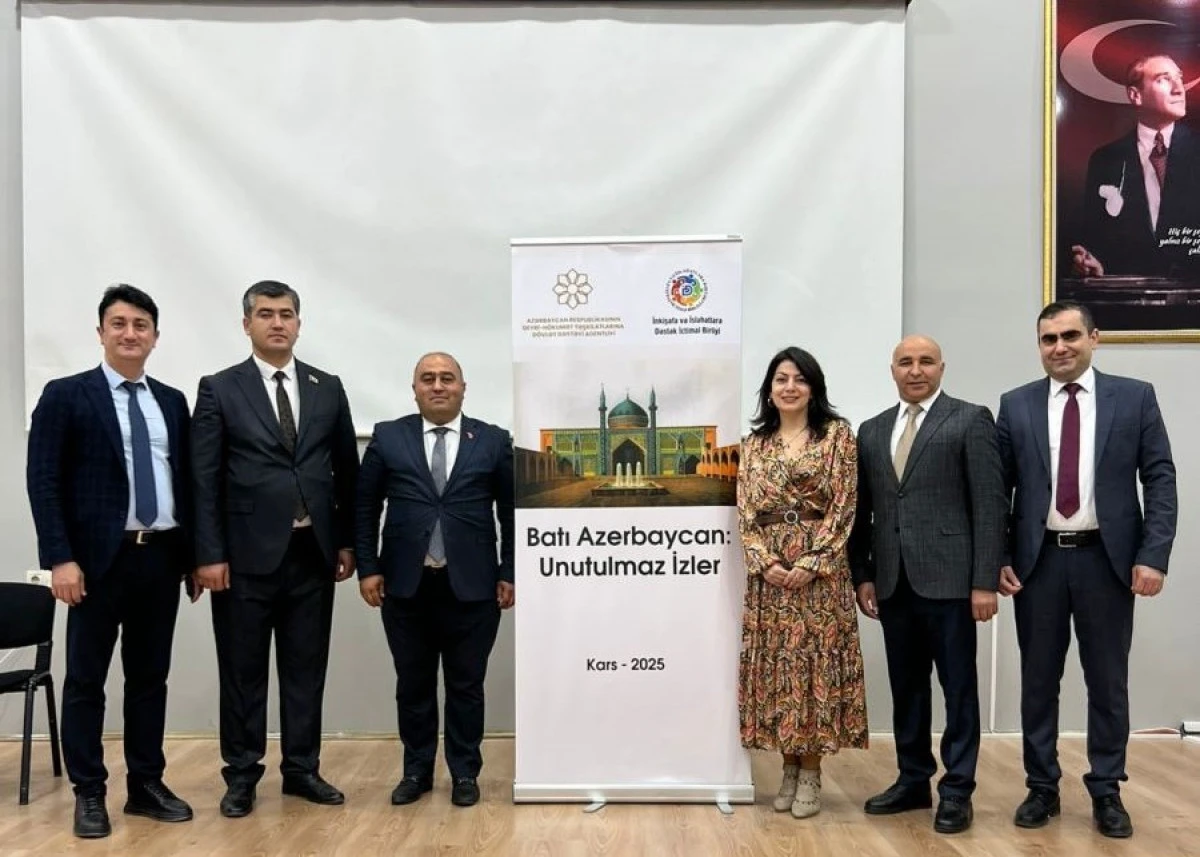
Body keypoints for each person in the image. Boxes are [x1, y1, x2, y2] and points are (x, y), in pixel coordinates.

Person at [996, 300, 1176, 839]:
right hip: (1039, 562)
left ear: (1094, 338)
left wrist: (1153, 554)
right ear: (1039, 346)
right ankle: (1041, 786)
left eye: (1070, 336)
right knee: (1038, 681)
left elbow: (1160, 478)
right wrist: (998, 557)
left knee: (1107, 681)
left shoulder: (1135, 397)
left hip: (1108, 561)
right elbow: (997, 489)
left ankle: (1106, 789)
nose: (1060, 347)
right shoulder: (1016, 404)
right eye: (1049, 339)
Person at [27, 285, 195, 839]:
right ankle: (89, 791)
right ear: (100, 332)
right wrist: (60, 559)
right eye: (119, 324)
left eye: (140, 325)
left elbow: (186, 482)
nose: (130, 333)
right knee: (86, 680)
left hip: (160, 557)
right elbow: (44, 482)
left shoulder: (171, 401)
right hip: (96, 564)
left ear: (155, 336)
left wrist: (193, 557)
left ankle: (146, 785)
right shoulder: (66, 395)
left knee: (150, 679)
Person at [191, 280, 360, 817]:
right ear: (247, 325)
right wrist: (208, 554)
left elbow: (347, 472)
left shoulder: (327, 387)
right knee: (242, 672)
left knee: (306, 669)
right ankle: (242, 775)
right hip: (243, 558)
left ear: (298, 324)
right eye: (265, 314)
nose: (277, 323)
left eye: (286, 314)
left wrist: (348, 541)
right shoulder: (220, 388)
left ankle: (302, 769)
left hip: (313, 552)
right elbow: (203, 478)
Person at [849, 335, 1007, 835]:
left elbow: (990, 505)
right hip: (893, 584)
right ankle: (913, 779)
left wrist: (984, 582)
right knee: (907, 689)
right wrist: (863, 574)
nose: (915, 370)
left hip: (953, 584)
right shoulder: (872, 430)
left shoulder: (970, 419)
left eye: (925, 362)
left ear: (941, 367)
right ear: (892, 370)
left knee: (958, 690)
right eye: (905, 362)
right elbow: (863, 510)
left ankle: (957, 790)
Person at [355, 352, 514, 808]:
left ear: (463, 388)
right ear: (415, 390)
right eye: (428, 378)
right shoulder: (389, 437)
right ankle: (416, 771)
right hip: (406, 586)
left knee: (467, 686)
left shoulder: (492, 440)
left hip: (474, 586)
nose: (438, 385)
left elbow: (511, 513)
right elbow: (365, 508)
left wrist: (509, 572)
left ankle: (465, 773)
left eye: (447, 378)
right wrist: (369, 568)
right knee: (414, 684)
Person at [737, 347, 867, 820]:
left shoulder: (837, 436)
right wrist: (763, 560)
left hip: (820, 574)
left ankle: (811, 770)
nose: (790, 387)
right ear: (769, 390)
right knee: (780, 670)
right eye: (781, 379)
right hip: (770, 576)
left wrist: (813, 561)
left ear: (814, 388)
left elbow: (845, 505)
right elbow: (745, 511)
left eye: (799, 379)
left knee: (813, 667)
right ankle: (788, 767)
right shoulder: (753, 445)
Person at [1071, 55, 1200, 280]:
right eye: (1163, 79)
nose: (1179, 89)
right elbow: (1095, 241)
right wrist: (1094, 264)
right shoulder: (1105, 161)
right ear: (1135, 95)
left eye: (1179, 78)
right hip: (1129, 298)